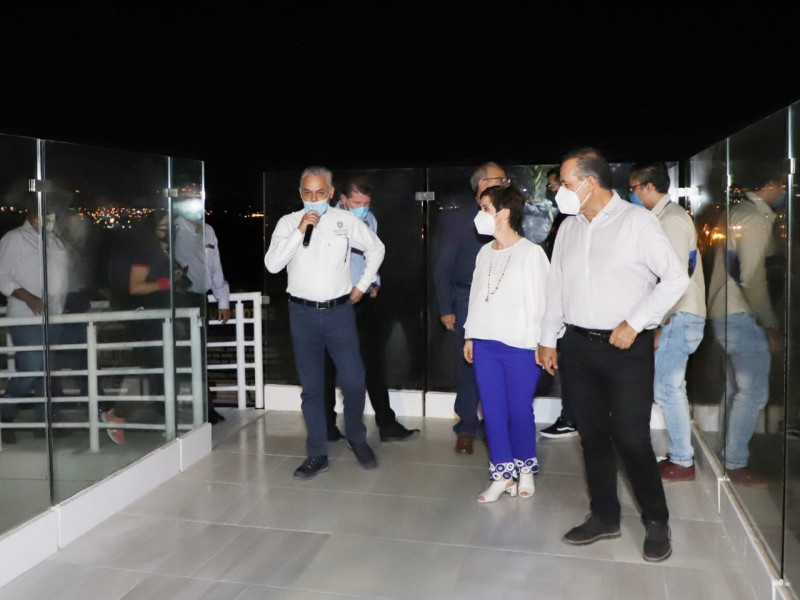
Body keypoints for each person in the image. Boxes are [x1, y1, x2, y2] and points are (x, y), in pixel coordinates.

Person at [537, 148, 689, 563]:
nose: (560, 191)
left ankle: (656, 520)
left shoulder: (637, 222)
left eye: (566, 183)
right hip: (577, 347)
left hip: (626, 348)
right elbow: (556, 286)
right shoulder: (568, 227)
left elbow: (675, 278)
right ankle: (604, 516)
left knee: (631, 437)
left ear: (590, 183)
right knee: (592, 436)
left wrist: (635, 322)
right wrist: (548, 338)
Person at [265, 166, 385, 480]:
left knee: (354, 380)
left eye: (320, 192)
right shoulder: (288, 223)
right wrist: (299, 231)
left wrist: (362, 285)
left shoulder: (345, 221)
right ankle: (316, 453)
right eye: (307, 192)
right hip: (302, 314)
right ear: (300, 193)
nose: (313, 198)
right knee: (313, 388)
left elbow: (376, 248)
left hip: (339, 312)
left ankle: (357, 438)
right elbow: (273, 264)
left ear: (331, 192)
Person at [463, 185, 549, 502]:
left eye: (485, 208)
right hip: (485, 345)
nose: (480, 214)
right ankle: (502, 475)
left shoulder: (532, 253)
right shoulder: (484, 252)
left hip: (521, 346)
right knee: (492, 411)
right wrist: (470, 335)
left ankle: (525, 470)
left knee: (519, 411)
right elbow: (476, 297)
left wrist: (544, 343)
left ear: (504, 213)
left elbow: (544, 303)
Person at [323, 174, 420, 443]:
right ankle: (327, 425)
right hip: (333, 303)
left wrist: (374, 282)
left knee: (373, 362)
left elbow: (372, 255)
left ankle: (386, 423)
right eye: (357, 203)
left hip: (362, 302)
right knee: (328, 366)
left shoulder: (370, 219)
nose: (362, 208)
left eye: (366, 203)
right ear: (343, 199)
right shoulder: (327, 221)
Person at [706, 164, 785, 486]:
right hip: (743, 315)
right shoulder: (753, 219)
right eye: (781, 185)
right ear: (769, 184)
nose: (783, 192)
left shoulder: (734, 213)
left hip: (726, 311)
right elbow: (752, 278)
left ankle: (729, 456)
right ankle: (735, 462)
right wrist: (769, 323)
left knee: (736, 390)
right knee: (752, 392)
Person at [628, 162, 707, 482]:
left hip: (678, 315)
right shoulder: (663, 217)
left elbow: (674, 278)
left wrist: (660, 322)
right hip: (677, 316)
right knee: (670, 388)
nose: (632, 195)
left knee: (668, 389)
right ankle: (679, 456)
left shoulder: (671, 220)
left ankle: (682, 460)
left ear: (649, 186)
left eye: (634, 188)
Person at [432, 161, 509, 455]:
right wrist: (446, 307)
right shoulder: (459, 216)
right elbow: (442, 265)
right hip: (467, 298)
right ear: (483, 184)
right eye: (500, 179)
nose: (505, 182)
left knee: (499, 363)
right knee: (469, 362)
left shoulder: (510, 214)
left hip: (503, 298)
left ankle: (493, 425)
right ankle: (466, 427)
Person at [104, 212, 191, 444]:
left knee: (161, 370)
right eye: (164, 226)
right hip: (146, 321)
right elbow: (135, 287)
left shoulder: (164, 252)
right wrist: (165, 282)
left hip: (161, 319)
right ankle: (117, 414)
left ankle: (167, 417)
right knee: (150, 369)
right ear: (152, 229)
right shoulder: (145, 252)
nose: (168, 230)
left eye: (171, 226)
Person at [0, 194, 69, 443]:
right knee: (31, 368)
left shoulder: (54, 240)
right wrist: (28, 297)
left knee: (46, 372)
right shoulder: (15, 239)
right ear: (32, 212)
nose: (52, 216)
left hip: (54, 316)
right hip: (26, 316)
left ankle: (45, 424)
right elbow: (2, 277)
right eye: (47, 211)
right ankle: (4, 416)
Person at [173, 183, 232, 425]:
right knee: (180, 355)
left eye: (196, 198)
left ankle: (206, 408)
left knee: (199, 355)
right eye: (187, 199)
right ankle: (172, 409)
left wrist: (223, 300)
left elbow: (215, 267)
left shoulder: (208, 230)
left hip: (200, 300)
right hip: (177, 300)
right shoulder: (173, 228)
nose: (192, 204)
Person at [537, 165, 578, 439]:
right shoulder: (564, 219)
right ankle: (571, 416)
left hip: (572, 306)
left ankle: (572, 418)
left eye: (558, 185)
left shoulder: (573, 219)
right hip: (560, 300)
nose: (554, 192)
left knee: (572, 369)